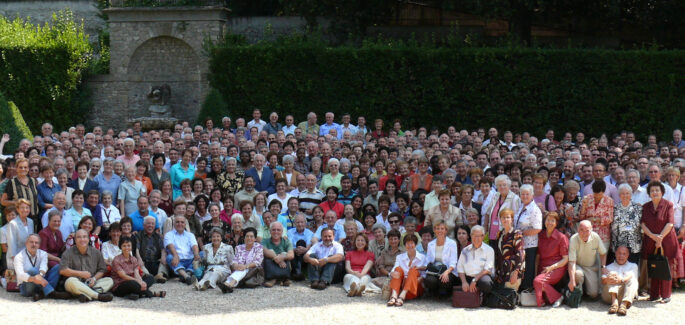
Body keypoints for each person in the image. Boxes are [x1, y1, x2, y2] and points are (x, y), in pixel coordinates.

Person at [641, 180, 679, 303]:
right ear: (649, 193)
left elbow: (670, 223)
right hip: (651, 239)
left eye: (657, 190)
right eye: (652, 191)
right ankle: (654, 295)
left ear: (662, 192)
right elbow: (643, 224)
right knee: (654, 266)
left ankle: (666, 295)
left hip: (667, 240)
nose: (655, 192)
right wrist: (653, 237)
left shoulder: (668, 204)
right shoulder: (646, 206)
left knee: (665, 267)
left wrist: (660, 238)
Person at [59, 229, 114, 302]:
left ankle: (86, 294)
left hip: (91, 283)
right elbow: (62, 270)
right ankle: (97, 296)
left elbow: (102, 269)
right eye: (79, 237)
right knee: (69, 281)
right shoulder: (68, 253)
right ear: (75, 240)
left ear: (88, 239)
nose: (82, 239)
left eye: (84, 237)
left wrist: (94, 279)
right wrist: (80, 274)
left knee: (109, 280)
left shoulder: (96, 252)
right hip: (76, 282)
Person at [14, 234, 70, 301]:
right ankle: (51, 293)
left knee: (58, 267)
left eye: (36, 243)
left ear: (39, 245)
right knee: (33, 270)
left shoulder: (43, 254)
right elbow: (20, 275)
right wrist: (34, 278)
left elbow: (43, 267)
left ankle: (41, 294)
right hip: (26, 287)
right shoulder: (19, 257)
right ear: (26, 243)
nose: (34, 244)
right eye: (31, 242)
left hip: (41, 282)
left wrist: (39, 277)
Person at [534, 212, 569, 307]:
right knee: (537, 282)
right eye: (548, 220)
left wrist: (552, 267)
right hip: (543, 267)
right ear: (544, 222)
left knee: (538, 282)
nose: (549, 222)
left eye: (552, 220)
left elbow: (565, 259)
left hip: (557, 267)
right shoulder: (540, 236)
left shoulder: (561, 237)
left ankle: (558, 297)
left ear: (556, 223)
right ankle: (545, 300)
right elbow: (538, 256)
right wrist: (535, 272)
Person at [567, 220, 608, 299]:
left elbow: (603, 253)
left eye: (587, 231)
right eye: (581, 230)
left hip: (590, 268)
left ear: (591, 230)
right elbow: (571, 262)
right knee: (578, 274)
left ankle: (585, 291)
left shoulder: (595, 237)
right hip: (578, 266)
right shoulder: (573, 239)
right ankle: (578, 292)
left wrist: (603, 267)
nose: (584, 233)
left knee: (594, 294)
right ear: (578, 230)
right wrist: (572, 280)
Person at [218, 227, 264, 293]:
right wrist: (235, 265)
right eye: (247, 236)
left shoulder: (259, 247)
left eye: (251, 236)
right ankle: (228, 285)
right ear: (244, 238)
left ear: (255, 239)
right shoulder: (239, 248)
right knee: (241, 269)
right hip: (240, 269)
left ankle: (229, 283)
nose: (249, 238)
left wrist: (245, 266)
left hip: (254, 270)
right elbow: (235, 260)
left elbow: (257, 262)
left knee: (243, 269)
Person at [515, 184, 543, 291]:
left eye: (527, 194)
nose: (525, 196)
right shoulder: (521, 206)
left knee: (528, 269)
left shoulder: (534, 209)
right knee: (521, 267)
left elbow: (537, 228)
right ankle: (520, 290)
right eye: (522, 194)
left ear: (532, 195)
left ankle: (526, 291)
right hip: (520, 243)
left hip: (530, 244)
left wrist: (522, 233)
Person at [386, 234, 426, 307]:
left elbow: (424, 275)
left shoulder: (422, 257)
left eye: (412, 243)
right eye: (408, 243)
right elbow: (393, 270)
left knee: (413, 270)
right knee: (397, 269)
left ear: (416, 244)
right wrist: (392, 273)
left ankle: (402, 296)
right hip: (401, 285)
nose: (410, 245)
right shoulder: (400, 257)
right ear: (405, 245)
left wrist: (416, 279)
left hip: (415, 287)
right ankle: (394, 296)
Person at [423, 221, 459, 296]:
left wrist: (446, 272)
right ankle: (435, 293)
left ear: (446, 230)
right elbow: (428, 261)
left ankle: (446, 293)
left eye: (442, 229)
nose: (440, 231)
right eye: (437, 228)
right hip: (435, 270)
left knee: (444, 280)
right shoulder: (430, 244)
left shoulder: (452, 243)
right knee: (429, 280)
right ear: (434, 230)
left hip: (448, 270)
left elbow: (453, 262)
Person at [1, 158, 39, 230]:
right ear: (16, 169)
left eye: (25, 167)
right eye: (20, 167)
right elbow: (3, 201)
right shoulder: (12, 183)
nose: (23, 169)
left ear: (28, 169)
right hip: (19, 219)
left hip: (34, 218)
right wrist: (17, 202)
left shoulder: (33, 181)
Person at [457, 225, 495, 296]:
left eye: (479, 236)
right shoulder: (465, 250)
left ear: (483, 236)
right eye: (474, 235)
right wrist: (464, 282)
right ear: (471, 236)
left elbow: (487, 269)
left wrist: (475, 280)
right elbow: (460, 268)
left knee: (486, 283)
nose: (476, 238)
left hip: (481, 277)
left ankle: (483, 298)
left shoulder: (489, 250)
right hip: (468, 277)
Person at [482, 175, 521, 242]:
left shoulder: (515, 198)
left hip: (505, 235)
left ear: (508, 186)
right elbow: (487, 213)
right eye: (499, 185)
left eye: (504, 185)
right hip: (492, 233)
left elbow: (516, 218)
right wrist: (485, 229)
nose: (502, 187)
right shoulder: (495, 196)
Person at [164, 215, 200, 286]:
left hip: (190, 260)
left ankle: (187, 273)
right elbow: (170, 246)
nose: (180, 224)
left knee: (202, 254)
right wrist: (175, 256)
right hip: (178, 261)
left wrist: (196, 254)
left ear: (185, 224)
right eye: (177, 222)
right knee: (169, 257)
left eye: (182, 222)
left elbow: (194, 246)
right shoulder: (169, 234)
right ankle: (186, 276)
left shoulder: (190, 235)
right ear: (174, 224)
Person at [579, 179, 614, 251]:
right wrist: (583, 207)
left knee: (601, 259)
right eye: (595, 194)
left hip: (603, 236)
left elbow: (610, 218)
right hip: (588, 235)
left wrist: (595, 219)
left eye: (600, 194)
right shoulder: (587, 198)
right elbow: (581, 217)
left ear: (604, 192)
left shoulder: (609, 201)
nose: (597, 196)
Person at [494, 208, 523, 291]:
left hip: (512, 271)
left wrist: (516, 272)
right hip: (501, 272)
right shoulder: (499, 234)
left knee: (510, 298)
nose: (505, 219)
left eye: (508, 217)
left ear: (512, 219)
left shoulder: (517, 233)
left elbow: (520, 254)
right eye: (503, 217)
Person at [612, 184, 643, 264]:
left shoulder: (638, 208)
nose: (625, 195)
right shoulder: (614, 209)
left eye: (627, 193)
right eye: (622, 193)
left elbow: (642, 226)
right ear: (619, 195)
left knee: (632, 271)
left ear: (631, 194)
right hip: (618, 245)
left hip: (634, 246)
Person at [136, 216, 168, 283]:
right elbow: (137, 249)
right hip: (144, 262)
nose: (150, 225)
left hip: (155, 262)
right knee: (137, 264)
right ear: (144, 225)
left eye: (152, 224)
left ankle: (159, 275)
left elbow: (163, 249)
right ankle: (149, 276)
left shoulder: (158, 236)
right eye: (148, 223)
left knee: (165, 260)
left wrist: (163, 257)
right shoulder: (138, 235)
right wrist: (139, 259)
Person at [5, 199, 35, 271]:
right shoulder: (13, 224)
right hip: (16, 258)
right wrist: (16, 261)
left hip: (29, 257)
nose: (25, 210)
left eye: (27, 207)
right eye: (22, 207)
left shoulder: (30, 221)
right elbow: (12, 244)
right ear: (17, 209)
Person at [262, 221, 294, 287]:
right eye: (273, 230)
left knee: (284, 254)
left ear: (282, 232)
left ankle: (284, 278)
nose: (276, 232)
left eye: (278, 230)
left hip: (283, 265)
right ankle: (273, 279)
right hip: (271, 264)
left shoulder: (286, 242)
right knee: (269, 252)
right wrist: (276, 258)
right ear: (270, 231)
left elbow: (291, 255)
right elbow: (264, 251)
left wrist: (282, 257)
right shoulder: (265, 241)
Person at [287, 214, 316, 281]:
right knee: (292, 251)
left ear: (305, 223)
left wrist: (304, 250)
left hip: (304, 255)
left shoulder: (309, 233)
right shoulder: (290, 232)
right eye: (298, 222)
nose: (300, 224)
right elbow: (289, 244)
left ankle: (297, 271)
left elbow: (308, 245)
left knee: (301, 242)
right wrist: (295, 250)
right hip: (293, 254)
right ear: (294, 223)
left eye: (302, 222)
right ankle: (298, 272)